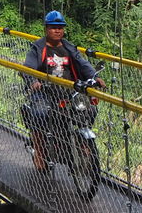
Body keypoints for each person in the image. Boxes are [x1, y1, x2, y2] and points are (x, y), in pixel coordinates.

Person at [21, 10, 100, 171]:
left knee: (90, 109)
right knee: (40, 113)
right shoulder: (38, 47)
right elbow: (27, 68)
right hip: (45, 91)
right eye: (53, 27)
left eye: (60, 27)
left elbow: (82, 63)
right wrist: (33, 81)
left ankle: (81, 142)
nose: (57, 31)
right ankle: (39, 152)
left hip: (68, 91)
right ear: (46, 29)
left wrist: (94, 77)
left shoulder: (69, 47)